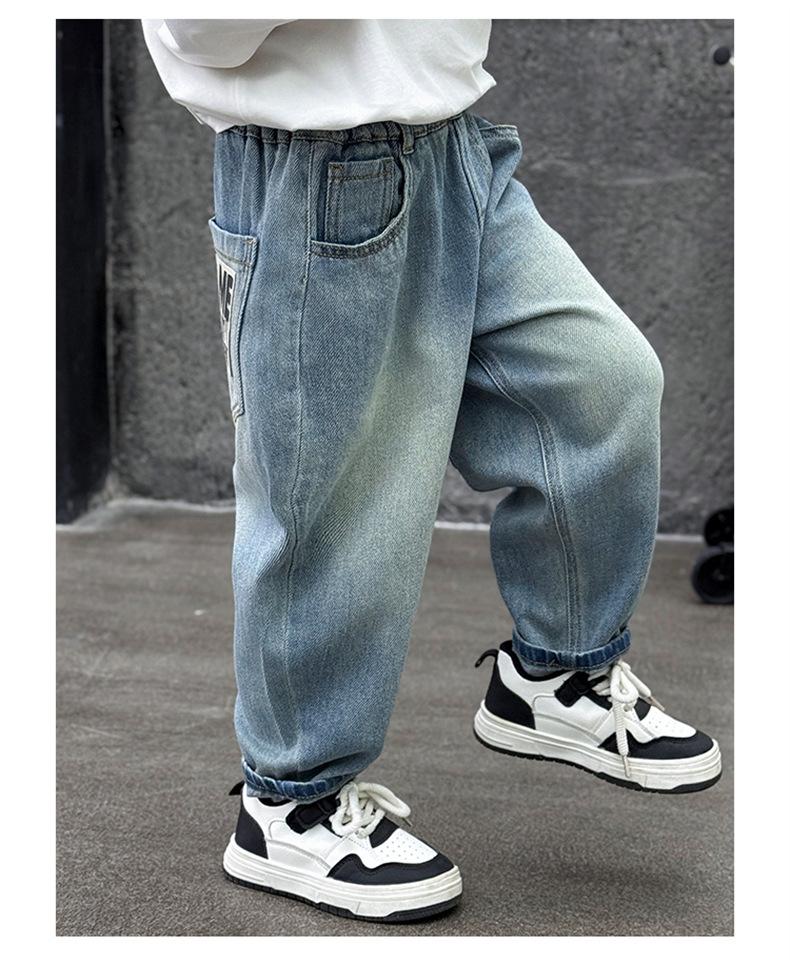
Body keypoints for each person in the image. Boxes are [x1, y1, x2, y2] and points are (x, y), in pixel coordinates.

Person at [142, 18, 722, 923]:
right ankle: (289, 806)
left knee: (600, 385)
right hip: (312, 171)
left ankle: (555, 671)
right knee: (335, 505)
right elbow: (202, 29)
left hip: (457, 152)